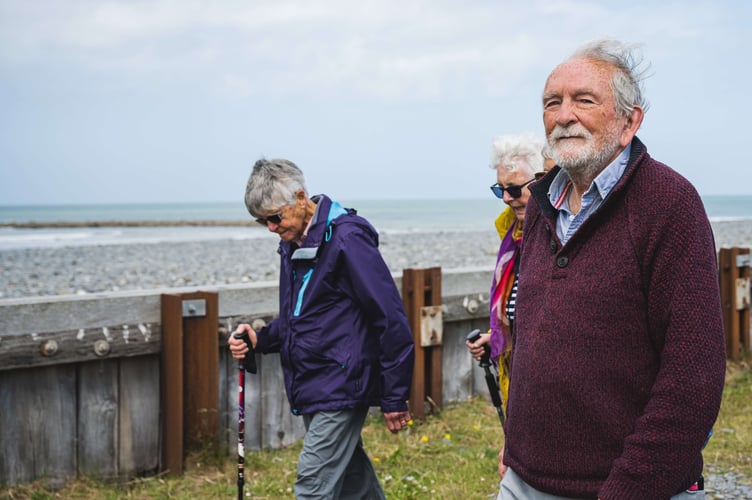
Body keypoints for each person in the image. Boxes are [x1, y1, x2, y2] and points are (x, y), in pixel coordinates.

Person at [499, 38, 726, 499]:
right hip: (525, 481)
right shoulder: (543, 205)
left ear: (630, 121)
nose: (564, 116)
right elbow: (533, 338)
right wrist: (515, 447)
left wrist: (628, 489)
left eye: (584, 100)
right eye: (552, 103)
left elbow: (693, 377)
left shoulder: (670, 204)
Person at [228, 158, 415, 499]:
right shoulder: (294, 242)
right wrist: (261, 338)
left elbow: (389, 316)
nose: (270, 227)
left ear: (301, 198)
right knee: (352, 483)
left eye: (274, 217)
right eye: (261, 222)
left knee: (312, 487)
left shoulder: (347, 239)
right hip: (316, 381)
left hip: (342, 381)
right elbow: (303, 317)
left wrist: (394, 394)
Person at [466, 133, 547, 409]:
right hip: (520, 374)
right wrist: (497, 336)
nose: (505, 198)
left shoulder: (558, 235)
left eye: (513, 189)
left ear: (541, 182)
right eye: (499, 189)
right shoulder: (512, 236)